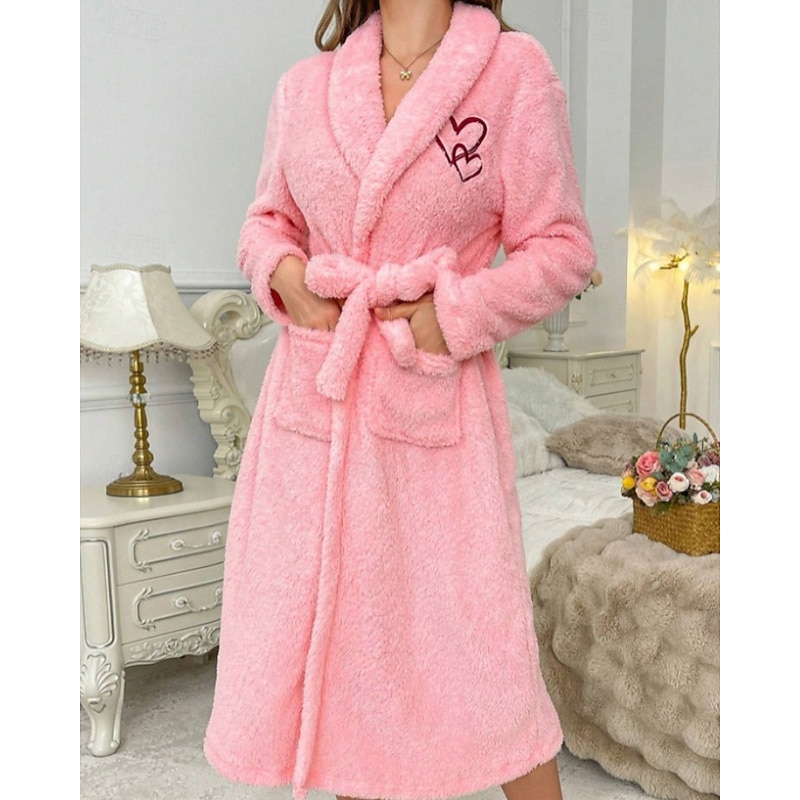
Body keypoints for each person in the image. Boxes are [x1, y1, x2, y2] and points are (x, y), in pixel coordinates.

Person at [204, 2, 596, 800]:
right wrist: (283, 273)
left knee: (486, 659)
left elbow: (562, 249)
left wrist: (453, 315)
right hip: (316, 404)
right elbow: (264, 224)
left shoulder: (512, 73)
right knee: (346, 659)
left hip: (429, 403)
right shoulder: (304, 88)